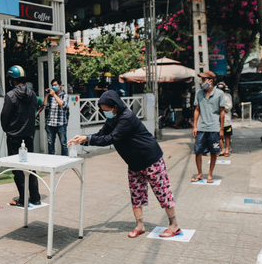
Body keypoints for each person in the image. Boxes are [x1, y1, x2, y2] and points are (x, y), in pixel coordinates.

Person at [68, 90, 181, 239]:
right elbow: (102, 134)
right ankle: (140, 225)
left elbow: (111, 138)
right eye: (103, 110)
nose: (105, 112)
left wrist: (87, 139)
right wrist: (84, 138)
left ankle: (174, 225)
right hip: (134, 162)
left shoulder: (127, 117)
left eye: (107, 110)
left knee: (162, 191)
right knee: (136, 193)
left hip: (150, 158)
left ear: (115, 106)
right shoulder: (112, 119)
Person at [0, 66, 41, 206]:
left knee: (17, 169)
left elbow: (5, 116)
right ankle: (35, 197)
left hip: (14, 137)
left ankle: (23, 199)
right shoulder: (33, 94)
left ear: (12, 79)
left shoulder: (10, 95)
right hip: (29, 136)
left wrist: (7, 129)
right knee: (31, 167)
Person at [192, 71, 226, 183]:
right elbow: (197, 110)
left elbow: (222, 112)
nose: (201, 82)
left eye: (203, 79)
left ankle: (210, 174)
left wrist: (221, 129)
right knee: (198, 151)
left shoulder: (220, 94)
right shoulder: (199, 93)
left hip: (214, 127)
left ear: (210, 81)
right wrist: (195, 126)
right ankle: (200, 173)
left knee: (213, 151)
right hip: (201, 127)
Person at [44, 79, 68, 156]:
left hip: (61, 124)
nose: (54, 87)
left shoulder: (65, 95)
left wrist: (54, 95)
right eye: (53, 85)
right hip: (50, 124)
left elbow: (63, 104)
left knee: (63, 143)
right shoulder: (50, 96)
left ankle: (64, 160)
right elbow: (44, 105)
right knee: (50, 143)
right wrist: (47, 95)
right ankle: (52, 161)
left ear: (60, 85)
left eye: (55, 85)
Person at [217, 82, 233, 157]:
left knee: (227, 136)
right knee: (219, 136)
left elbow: (228, 107)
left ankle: (227, 149)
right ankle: (222, 150)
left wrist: (221, 106)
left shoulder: (227, 96)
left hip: (226, 120)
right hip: (217, 120)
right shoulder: (215, 97)